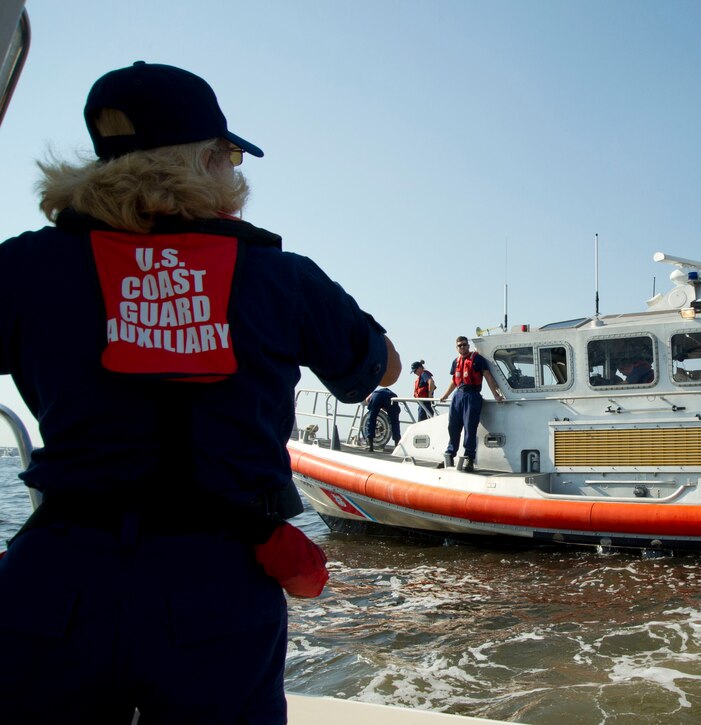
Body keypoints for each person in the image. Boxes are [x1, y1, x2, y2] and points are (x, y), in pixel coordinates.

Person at [0, 61, 400, 724]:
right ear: (209, 160)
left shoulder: (24, 268)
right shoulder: (279, 279)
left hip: (56, 580)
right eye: (233, 156)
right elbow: (375, 369)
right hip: (216, 586)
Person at [437, 336, 504, 472]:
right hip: (458, 395)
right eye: (459, 346)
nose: (462, 347)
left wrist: (496, 394)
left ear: (468, 345)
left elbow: (487, 376)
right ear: (457, 348)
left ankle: (469, 458)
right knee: (453, 426)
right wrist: (445, 395)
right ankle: (449, 455)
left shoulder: (477, 359)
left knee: (470, 427)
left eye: (464, 345)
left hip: (472, 395)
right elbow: (454, 381)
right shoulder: (455, 362)